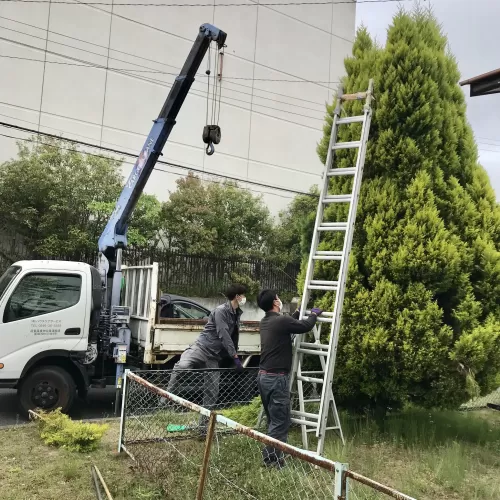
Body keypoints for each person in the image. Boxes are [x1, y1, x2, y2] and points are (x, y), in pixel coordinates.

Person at [167, 283, 247, 432]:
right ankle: (165, 400)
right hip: (201, 348)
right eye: (243, 295)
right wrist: (235, 357)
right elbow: (224, 335)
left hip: (214, 357)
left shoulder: (236, 313)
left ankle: (202, 426)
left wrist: (232, 357)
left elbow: (233, 337)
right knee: (182, 366)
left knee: (212, 391)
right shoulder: (221, 311)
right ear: (237, 296)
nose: (244, 298)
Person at [257, 289, 322, 468]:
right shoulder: (281, 321)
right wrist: (314, 315)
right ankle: (272, 461)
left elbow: (288, 322)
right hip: (277, 379)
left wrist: (300, 310)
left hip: (263, 377)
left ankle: (272, 457)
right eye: (278, 298)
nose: (280, 299)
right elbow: (305, 326)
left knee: (273, 419)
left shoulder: (265, 322)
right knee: (280, 421)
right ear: (276, 303)